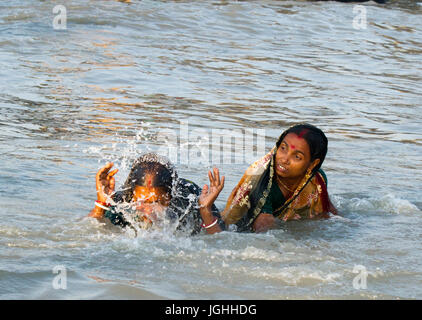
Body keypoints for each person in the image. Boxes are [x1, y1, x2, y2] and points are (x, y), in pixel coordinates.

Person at [220, 123, 337, 233]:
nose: (284, 159)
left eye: (297, 156)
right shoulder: (260, 179)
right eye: (283, 148)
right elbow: (264, 232)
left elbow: (327, 212)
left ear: (312, 164)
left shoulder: (316, 180)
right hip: (236, 230)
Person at [89, 153, 225, 235]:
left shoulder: (189, 199)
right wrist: (101, 203)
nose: (148, 210)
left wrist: (205, 211)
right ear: (133, 195)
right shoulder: (123, 200)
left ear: (171, 195)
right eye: (142, 201)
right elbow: (87, 229)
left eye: (156, 202)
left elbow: (218, 241)